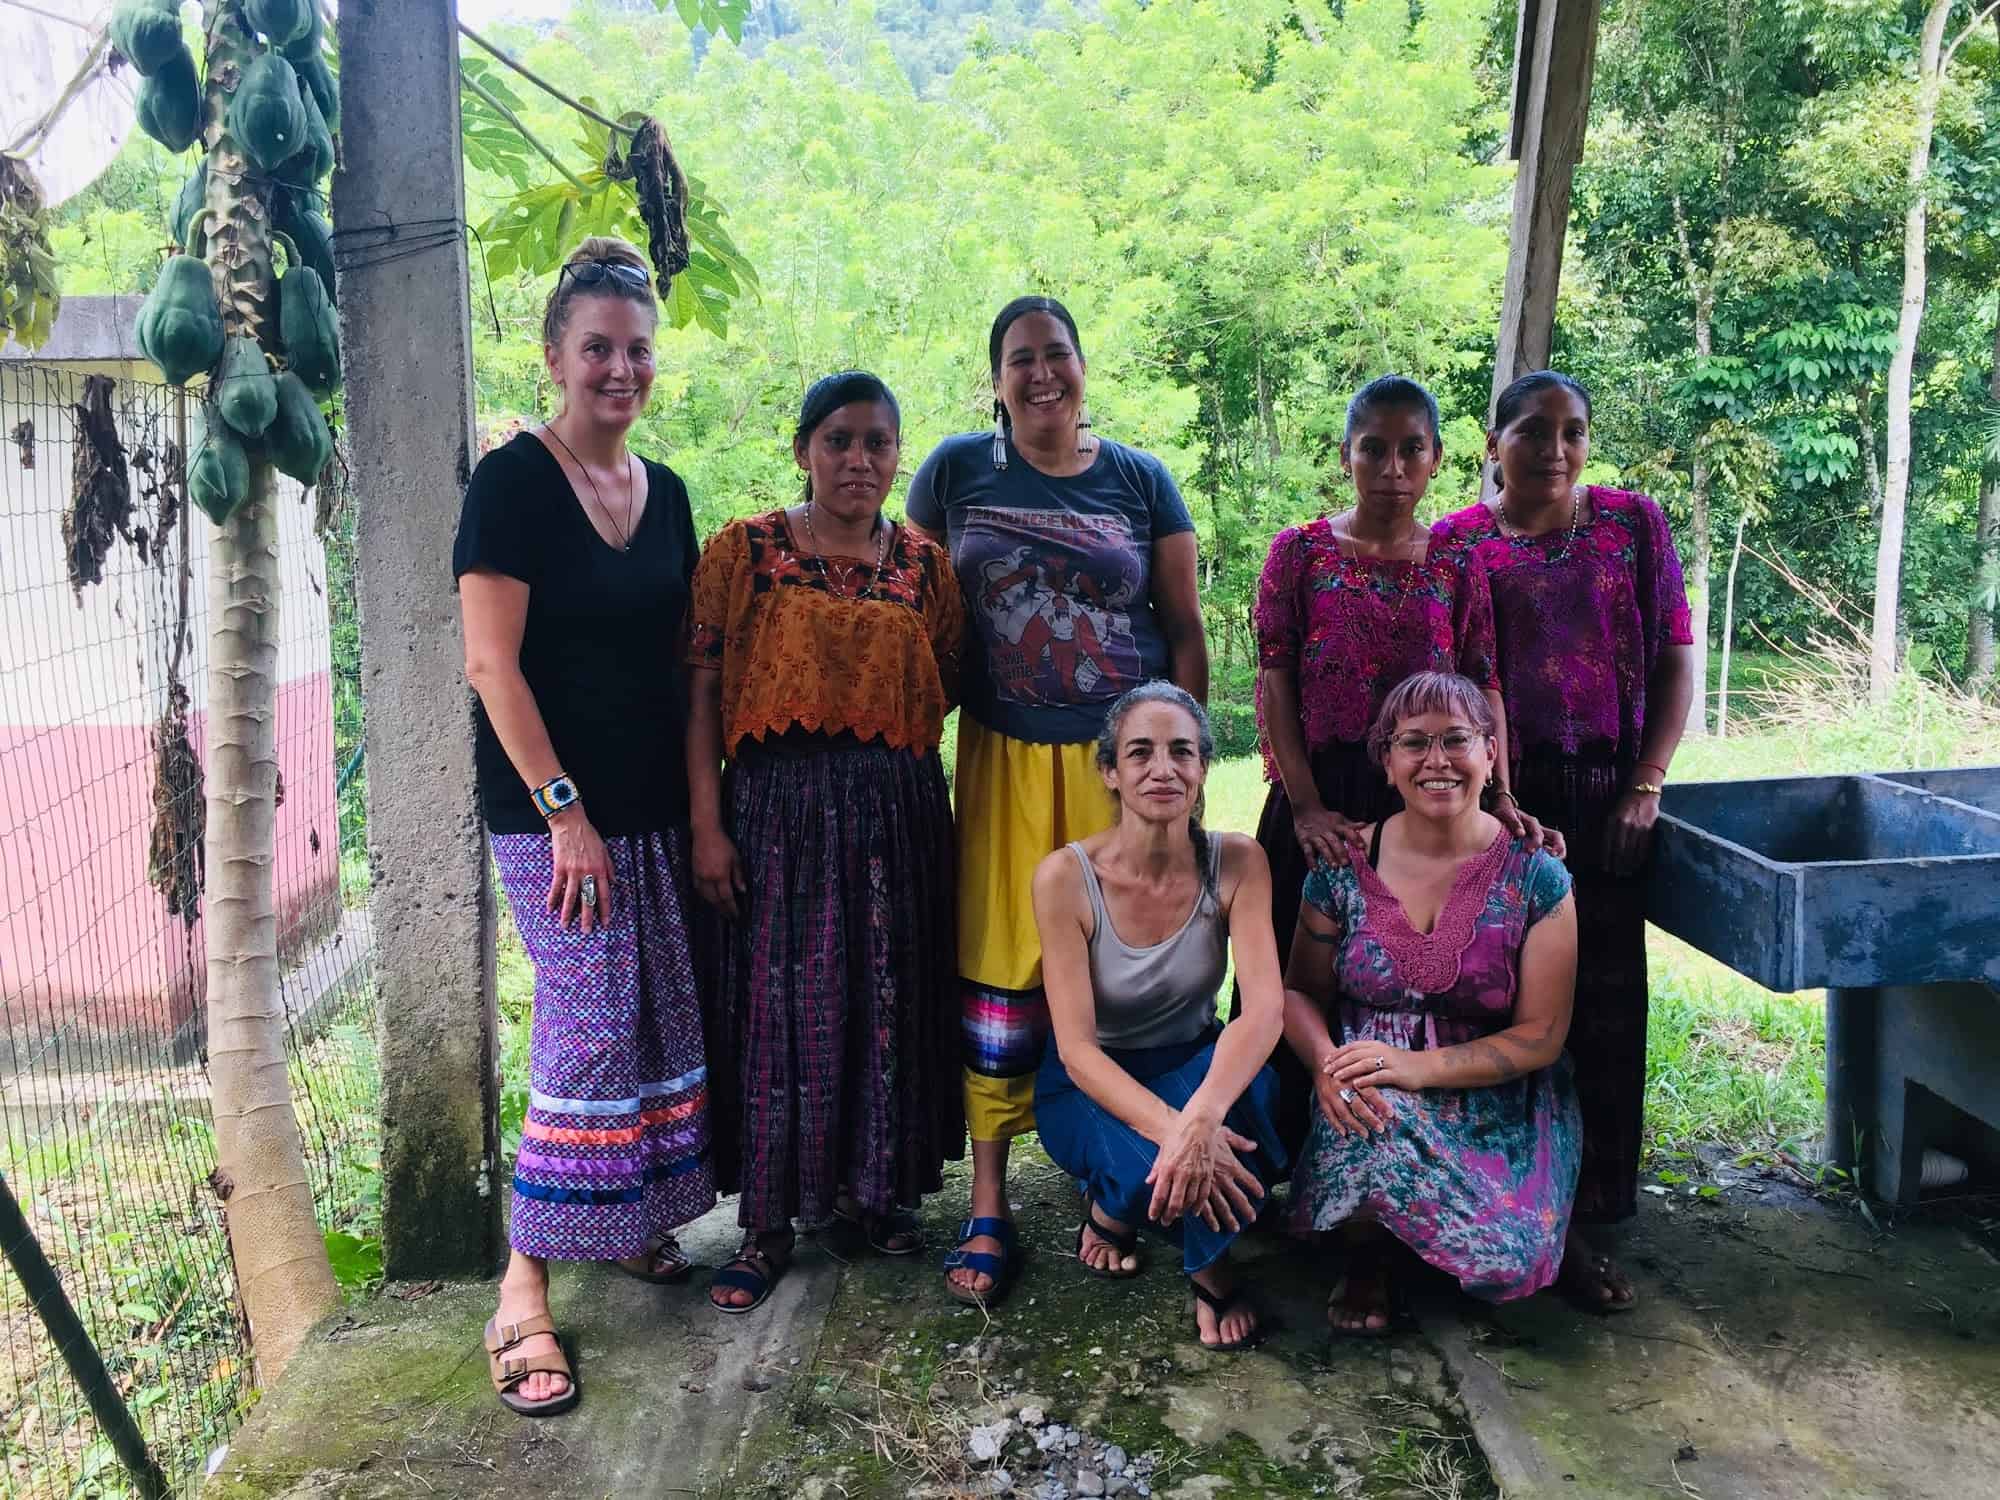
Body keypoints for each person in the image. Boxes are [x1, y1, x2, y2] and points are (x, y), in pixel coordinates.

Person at [454, 236, 714, 1416]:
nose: (620, 369)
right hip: (552, 816)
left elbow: (682, 663)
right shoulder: (513, 483)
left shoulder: (666, 494)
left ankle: (630, 1227)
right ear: (555, 356)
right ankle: (521, 1284)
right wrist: (564, 813)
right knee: (589, 1026)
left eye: (638, 350)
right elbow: (489, 666)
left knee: (657, 1013)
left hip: (653, 808)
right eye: (597, 348)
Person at [905, 295, 1208, 1305]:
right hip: (998, 756)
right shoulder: (955, 472)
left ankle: (1111, 1183)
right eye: (1020, 358)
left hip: (1110, 775)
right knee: (997, 970)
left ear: (1083, 367)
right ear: (995, 379)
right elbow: (908, 612)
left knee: (1119, 974)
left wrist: (1177, 775)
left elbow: (1185, 630)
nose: (1042, 374)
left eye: (1057, 355)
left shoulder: (1140, 481)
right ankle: (987, 1201)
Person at [687, 372, 966, 1314]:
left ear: (898, 454)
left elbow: (947, 680)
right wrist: (706, 824)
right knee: (778, 1005)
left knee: (884, 993)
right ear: (803, 448)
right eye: (839, 440)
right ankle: (765, 1225)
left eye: (878, 443)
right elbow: (701, 693)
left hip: (896, 809)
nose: (859, 460)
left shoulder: (926, 564)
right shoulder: (747, 551)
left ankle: (870, 1194)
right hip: (776, 810)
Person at [1432, 370, 1696, 1312]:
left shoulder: (1631, 524)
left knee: (1605, 995)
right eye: (1534, 430)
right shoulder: (1456, 541)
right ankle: (1501, 1201)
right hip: (1494, 799)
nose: (1555, 448)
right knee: (1499, 1003)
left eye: (1574, 431)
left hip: (1606, 793)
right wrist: (1487, 797)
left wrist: (1645, 785)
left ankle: (1589, 1214)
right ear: (1492, 441)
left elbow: (1673, 658)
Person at [1249, 374, 1554, 1155]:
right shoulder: (1300, 553)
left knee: (1418, 982)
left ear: (1438, 458)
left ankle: (1423, 1144)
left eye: (1411, 450)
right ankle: (1278, 1157)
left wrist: (1504, 790)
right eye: (1373, 450)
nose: (1392, 468)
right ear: (1345, 455)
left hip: (1434, 791)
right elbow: (1276, 680)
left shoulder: (1457, 560)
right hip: (1323, 793)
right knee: (1291, 974)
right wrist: (1307, 805)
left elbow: (1483, 678)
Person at [1284, 672, 1581, 1335]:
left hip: (1497, 1089)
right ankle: (1370, 1256)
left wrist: (1419, 1066)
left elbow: (1541, 1035)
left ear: (1490, 754)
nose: (1436, 760)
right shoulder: (1341, 867)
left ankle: (1548, 1221)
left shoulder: (1536, 874)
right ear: (1387, 764)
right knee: (1370, 1135)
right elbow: (1300, 992)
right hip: (1365, 1078)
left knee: (1511, 1260)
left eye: (1457, 740)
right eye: (1413, 743)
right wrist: (1326, 1062)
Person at [1033, 683, 1288, 1350]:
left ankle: (1114, 1211)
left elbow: (1263, 1010)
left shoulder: (1237, 861)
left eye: (1182, 751)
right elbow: (1078, 1052)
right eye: (1140, 752)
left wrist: (1199, 1119)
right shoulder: (1065, 878)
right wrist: (1179, 1134)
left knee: (1255, 1118)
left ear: (1204, 766)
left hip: (1196, 1063)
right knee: (1163, 1165)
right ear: (1111, 772)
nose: (1162, 768)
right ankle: (1209, 1266)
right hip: (1094, 1082)